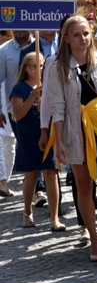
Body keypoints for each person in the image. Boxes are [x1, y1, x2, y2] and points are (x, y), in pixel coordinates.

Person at [46, 15, 97, 262]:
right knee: (83, 184)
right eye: (77, 35)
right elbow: (57, 107)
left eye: (86, 33)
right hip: (75, 129)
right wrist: (58, 141)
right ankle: (93, 236)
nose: (83, 39)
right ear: (67, 39)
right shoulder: (56, 67)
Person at [11, 52, 63, 230]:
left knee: (51, 172)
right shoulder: (19, 88)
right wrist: (33, 97)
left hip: (48, 133)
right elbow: (17, 115)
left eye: (40, 65)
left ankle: (54, 217)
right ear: (25, 68)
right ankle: (27, 212)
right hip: (28, 135)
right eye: (33, 66)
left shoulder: (50, 85)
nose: (37, 69)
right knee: (31, 175)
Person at [0, 30, 47, 207]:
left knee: (45, 152)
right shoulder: (4, 51)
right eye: (16, 27)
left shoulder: (39, 45)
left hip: (44, 107)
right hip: (17, 109)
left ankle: (40, 189)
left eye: (23, 27)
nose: (20, 31)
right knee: (30, 148)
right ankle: (35, 188)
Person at [0, 30, 16, 197]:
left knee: (9, 146)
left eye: (5, 34)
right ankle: (2, 181)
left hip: (10, 106)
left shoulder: (11, 53)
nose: (1, 37)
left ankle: (5, 180)